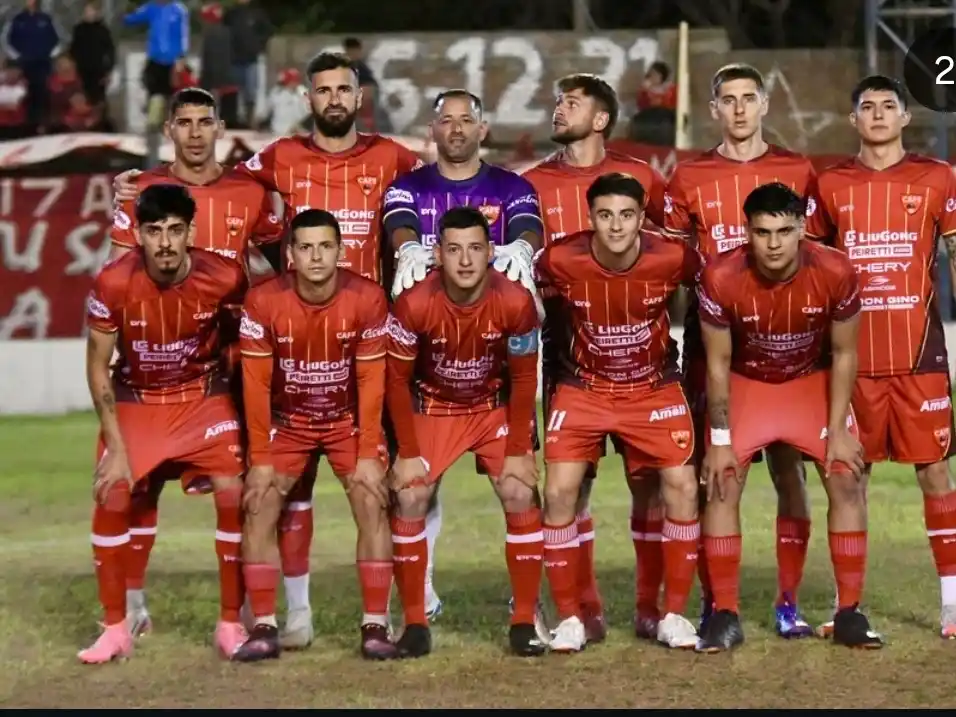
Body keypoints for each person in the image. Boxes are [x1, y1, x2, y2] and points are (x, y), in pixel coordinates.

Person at [107, 88, 282, 639]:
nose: (196, 133)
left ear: (220, 128)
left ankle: (248, 608)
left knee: (244, 487)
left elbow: (279, 265)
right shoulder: (143, 190)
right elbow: (116, 273)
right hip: (160, 362)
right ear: (170, 131)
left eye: (205, 122)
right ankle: (132, 604)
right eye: (184, 123)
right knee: (139, 486)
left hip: (230, 360)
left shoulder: (249, 191)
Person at [664, 63, 820, 638]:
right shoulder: (688, 175)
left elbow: (816, 253)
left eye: (748, 98)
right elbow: (674, 264)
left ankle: (788, 602)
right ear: (714, 109)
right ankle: (718, 605)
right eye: (727, 100)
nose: (738, 109)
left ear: (764, 104)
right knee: (720, 473)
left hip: (789, 349)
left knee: (790, 471)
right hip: (716, 347)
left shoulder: (797, 170)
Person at [382, 89, 544, 619]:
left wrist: (522, 248)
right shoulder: (407, 186)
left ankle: (529, 604)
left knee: (523, 486)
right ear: (432, 131)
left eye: (466, 120)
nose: (456, 129)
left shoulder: (513, 186)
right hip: (430, 379)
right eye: (446, 121)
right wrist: (408, 248)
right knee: (413, 490)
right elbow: (400, 224)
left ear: (483, 128)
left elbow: (527, 226)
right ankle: (420, 594)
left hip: (494, 380)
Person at [806, 74, 956, 640]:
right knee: (848, 479)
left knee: (936, 473)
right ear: (853, 120)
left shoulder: (938, 177)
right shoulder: (829, 184)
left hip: (919, 357)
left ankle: (952, 604)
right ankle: (848, 606)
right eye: (866, 106)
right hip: (853, 363)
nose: (877, 114)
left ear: (904, 117)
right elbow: (812, 266)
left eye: (887, 106)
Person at [521, 73, 668, 644]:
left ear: (601, 119)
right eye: (558, 101)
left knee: (649, 485)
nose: (559, 110)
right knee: (570, 485)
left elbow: (673, 250)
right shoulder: (532, 185)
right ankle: (581, 609)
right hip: (565, 354)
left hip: (637, 356)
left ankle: (650, 607)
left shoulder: (642, 178)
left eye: (572, 103)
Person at [695, 182, 873, 652]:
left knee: (846, 476)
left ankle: (850, 611)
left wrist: (839, 430)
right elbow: (717, 363)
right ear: (746, 232)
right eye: (762, 232)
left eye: (784, 231)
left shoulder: (836, 269)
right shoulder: (720, 275)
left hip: (808, 382)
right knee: (722, 481)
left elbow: (845, 353)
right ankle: (725, 614)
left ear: (802, 230)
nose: (773, 244)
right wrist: (719, 439)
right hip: (748, 382)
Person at [80, 183, 248, 663]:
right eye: (154, 231)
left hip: (203, 398)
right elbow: (97, 366)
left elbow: (244, 347)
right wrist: (116, 449)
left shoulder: (226, 277)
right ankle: (116, 628)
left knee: (235, 495)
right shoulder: (113, 282)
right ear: (139, 236)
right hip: (138, 398)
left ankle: (231, 623)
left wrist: (245, 422)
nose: (166, 242)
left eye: (176, 230)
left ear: (191, 232)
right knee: (112, 493)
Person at [535, 172, 702, 652]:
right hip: (584, 388)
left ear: (641, 218)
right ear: (591, 217)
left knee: (681, 487)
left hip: (652, 388)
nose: (615, 226)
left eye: (626, 215)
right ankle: (570, 617)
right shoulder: (559, 259)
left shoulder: (673, 257)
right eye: (605, 215)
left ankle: (671, 613)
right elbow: (531, 306)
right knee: (559, 491)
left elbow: (712, 291)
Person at [236, 208, 398, 662]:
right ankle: (265, 626)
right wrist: (260, 459)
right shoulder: (263, 301)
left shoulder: (367, 298)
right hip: (288, 422)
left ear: (341, 250)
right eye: (305, 247)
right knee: (259, 503)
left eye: (326, 246)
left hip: (347, 420)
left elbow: (371, 380)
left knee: (372, 499)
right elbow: (255, 384)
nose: (316, 257)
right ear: (290, 254)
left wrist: (367, 454)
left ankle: (375, 624)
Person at [122, 0, 189, 129]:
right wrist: (124, 16)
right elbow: (133, 19)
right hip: (155, 59)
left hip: (173, 61)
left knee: (172, 93)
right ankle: (153, 123)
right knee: (154, 91)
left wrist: (181, 57)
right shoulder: (151, 8)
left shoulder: (179, 10)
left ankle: (170, 123)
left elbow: (183, 35)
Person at [0, 0, 63, 130]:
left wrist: (51, 54)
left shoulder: (47, 19)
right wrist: (17, 56)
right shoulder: (16, 19)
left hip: (43, 63)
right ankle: (26, 126)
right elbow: (6, 40)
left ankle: (43, 125)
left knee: (43, 93)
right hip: (23, 64)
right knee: (25, 95)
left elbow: (59, 39)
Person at [223, 0, 272, 128]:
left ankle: (250, 121)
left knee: (250, 92)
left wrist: (258, 46)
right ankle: (232, 121)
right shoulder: (230, 14)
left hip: (251, 60)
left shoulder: (257, 13)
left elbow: (266, 31)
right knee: (232, 91)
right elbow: (224, 33)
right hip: (233, 59)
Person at [68, 1, 115, 108]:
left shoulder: (103, 30)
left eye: (91, 11)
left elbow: (110, 50)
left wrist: (108, 69)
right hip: (81, 69)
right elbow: (74, 48)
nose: (88, 13)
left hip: (98, 70)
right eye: (87, 11)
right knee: (83, 97)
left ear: (97, 13)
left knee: (98, 98)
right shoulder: (79, 29)